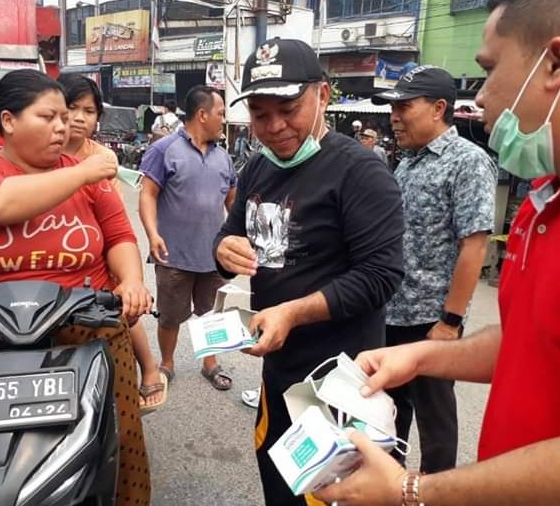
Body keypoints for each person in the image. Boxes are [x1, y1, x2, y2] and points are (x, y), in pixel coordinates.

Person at [314, 0, 560, 504]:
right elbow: (534, 340)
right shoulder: (545, 199)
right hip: (404, 321)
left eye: (488, 70)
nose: (481, 97)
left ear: (555, 63)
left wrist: (412, 491)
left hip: (431, 313)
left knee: (437, 430)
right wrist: (421, 357)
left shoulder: (474, 165)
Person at [214, 38, 404, 506]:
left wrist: (293, 313)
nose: (275, 126)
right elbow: (228, 236)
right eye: (260, 114)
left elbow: (381, 275)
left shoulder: (359, 171)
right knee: (278, 484)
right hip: (278, 375)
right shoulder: (257, 167)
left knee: (329, 497)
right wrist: (223, 249)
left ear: (322, 95)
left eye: (289, 107)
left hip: (337, 387)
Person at [0, 69, 152, 504]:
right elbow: (0, 206)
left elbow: (118, 235)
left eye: (67, 117)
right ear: (8, 120)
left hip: (87, 325)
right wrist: (82, 173)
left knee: (118, 439)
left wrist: (132, 279)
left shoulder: (85, 175)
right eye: (49, 116)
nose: (63, 126)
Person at [369, 65, 497, 473]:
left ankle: (436, 491)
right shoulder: (407, 162)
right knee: (388, 413)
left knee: (436, 421)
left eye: (404, 106)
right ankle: (390, 485)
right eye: (392, 107)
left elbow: (473, 247)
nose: (394, 116)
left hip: (430, 321)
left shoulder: (467, 162)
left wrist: (450, 321)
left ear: (439, 108)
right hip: (391, 312)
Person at [57, 73, 167, 412]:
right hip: (56, 252)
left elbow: (115, 219)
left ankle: (148, 368)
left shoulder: (103, 157)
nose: (78, 117)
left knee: (127, 309)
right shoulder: (42, 150)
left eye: (88, 111)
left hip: (98, 245)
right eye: (71, 107)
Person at [139, 85, 237, 391]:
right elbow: (148, 195)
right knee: (170, 316)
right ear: (202, 114)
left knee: (211, 315)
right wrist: (153, 234)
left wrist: (238, 238)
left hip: (213, 257)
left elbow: (233, 202)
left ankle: (210, 364)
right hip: (174, 254)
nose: (224, 119)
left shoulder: (224, 158)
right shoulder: (165, 149)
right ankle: (166, 363)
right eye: (221, 113)